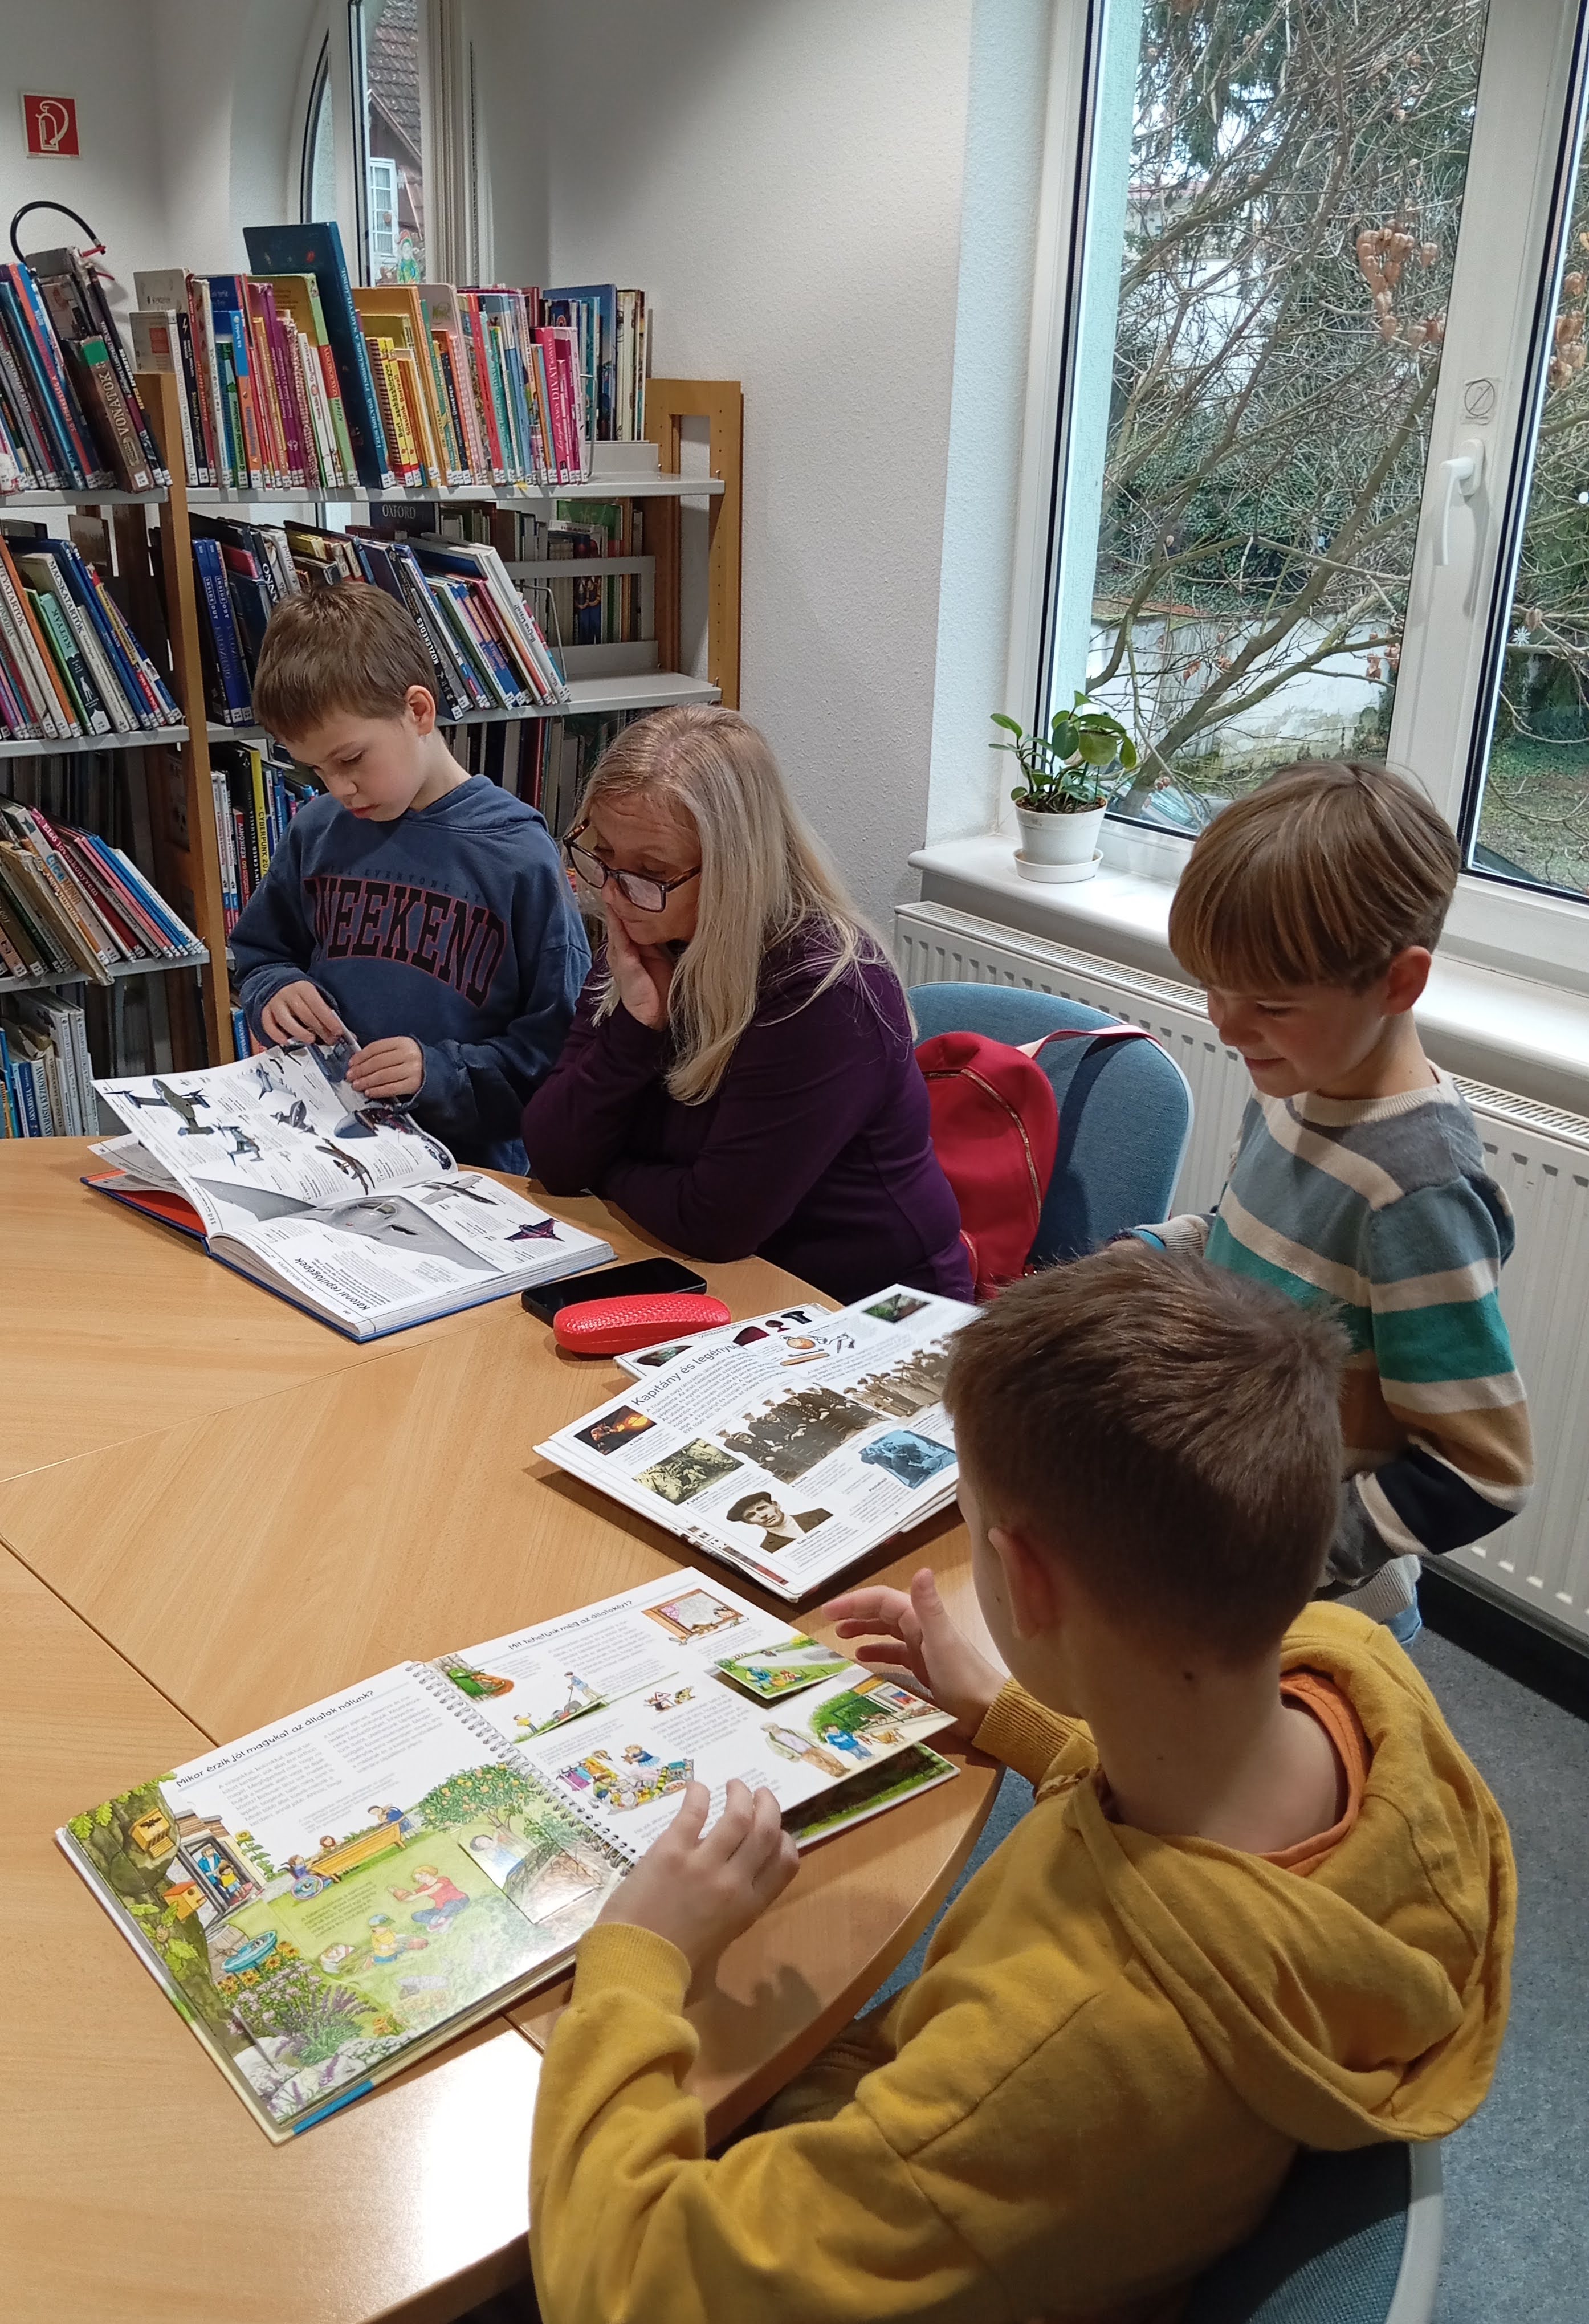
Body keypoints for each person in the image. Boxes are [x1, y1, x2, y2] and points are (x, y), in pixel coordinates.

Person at [528, 1243, 1514, 2323]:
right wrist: (1010, 1712)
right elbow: (1201, 1835)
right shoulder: (1352, 1672)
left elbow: (625, 2284)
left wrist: (641, 1953)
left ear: (1028, 1582)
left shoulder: (1039, 2063)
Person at [1148, 758, 1533, 1643]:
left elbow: (1482, 1472)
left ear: (1399, 983)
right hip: (1219, 1545)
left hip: (1312, 1615)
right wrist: (1149, 1250)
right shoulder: (1298, 1087)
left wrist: (1276, 1560)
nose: (1225, 1023)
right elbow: (1252, 1241)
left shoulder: (1416, 1192)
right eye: (1213, 987)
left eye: (1270, 1003)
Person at [520, 707, 971, 1303]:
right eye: (601, 856)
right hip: (706, 1276)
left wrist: (603, 1167)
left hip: (868, 1305)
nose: (614, 894)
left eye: (651, 871)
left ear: (736, 867)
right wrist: (636, 1027)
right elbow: (553, 1155)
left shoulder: (825, 990)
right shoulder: (650, 932)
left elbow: (715, 1222)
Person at [230, 581, 589, 1172]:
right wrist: (275, 989)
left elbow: (558, 1053)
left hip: (468, 1174)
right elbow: (262, 955)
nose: (340, 788)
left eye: (351, 759)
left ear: (418, 711)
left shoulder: (519, 857)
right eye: (316, 770)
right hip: (325, 1148)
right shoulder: (317, 830)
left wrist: (439, 1073)